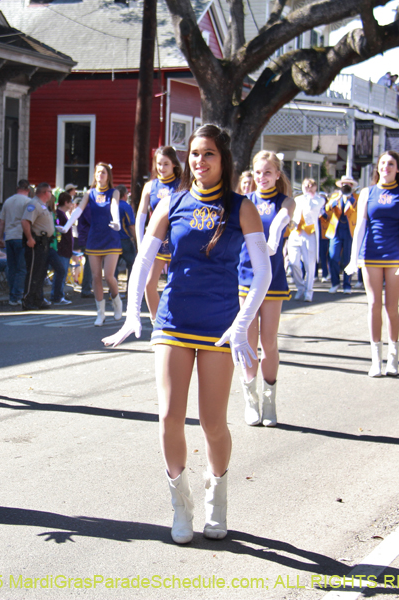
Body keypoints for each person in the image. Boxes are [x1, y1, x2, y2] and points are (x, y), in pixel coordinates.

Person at [103, 124, 270, 544]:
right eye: (194, 154)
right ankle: (180, 504)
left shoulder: (241, 207)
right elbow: (143, 260)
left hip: (220, 327)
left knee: (213, 423)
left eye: (208, 154)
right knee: (168, 419)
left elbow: (262, 272)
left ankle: (217, 496)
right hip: (173, 322)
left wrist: (242, 324)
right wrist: (132, 314)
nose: (199, 161)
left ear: (222, 159)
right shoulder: (171, 202)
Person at [237, 150, 294, 427]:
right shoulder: (244, 201)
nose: (262, 177)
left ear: (277, 175)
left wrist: (272, 240)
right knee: (248, 343)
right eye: (258, 172)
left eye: (268, 172)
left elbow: (283, 219)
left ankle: (269, 398)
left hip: (272, 277)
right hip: (246, 277)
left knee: (268, 342)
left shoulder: (286, 201)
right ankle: (251, 398)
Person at [344, 151, 399, 376]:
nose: (386, 167)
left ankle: (393, 356)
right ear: (378, 168)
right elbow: (361, 227)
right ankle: (376, 360)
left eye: (391, 164)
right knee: (373, 304)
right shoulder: (367, 192)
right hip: (370, 254)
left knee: (391, 307)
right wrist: (354, 259)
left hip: (394, 255)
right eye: (383, 163)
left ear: (397, 169)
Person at [57, 163, 123, 326]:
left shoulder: (113, 192)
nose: (100, 175)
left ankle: (116, 300)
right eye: (98, 172)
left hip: (111, 238)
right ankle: (100, 313)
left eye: (104, 172)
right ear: (95, 175)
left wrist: (116, 221)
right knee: (95, 277)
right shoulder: (90, 193)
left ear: (108, 176)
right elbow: (78, 210)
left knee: (109, 275)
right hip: (94, 239)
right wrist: (66, 227)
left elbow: (114, 206)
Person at [136, 147, 182, 323]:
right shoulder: (150, 186)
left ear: (174, 164)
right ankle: (157, 323)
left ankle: (177, 321)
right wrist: (141, 246)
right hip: (156, 240)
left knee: (176, 284)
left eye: (166, 164)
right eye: (159, 164)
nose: (162, 167)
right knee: (149, 284)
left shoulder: (182, 183)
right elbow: (140, 218)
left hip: (177, 241)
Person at [21, 182, 55, 310]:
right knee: (33, 273)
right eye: (50, 192)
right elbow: (25, 221)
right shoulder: (34, 204)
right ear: (45, 193)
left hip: (44, 242)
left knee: (41, 273)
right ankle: (27, 299)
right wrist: (30, 238)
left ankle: (38, 298)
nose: (51, 195)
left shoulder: (43, 205)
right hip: (36, 242)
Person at [288, 178, 324, 302]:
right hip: (296, 232)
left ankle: (309, 291)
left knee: (309, 264)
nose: (308, 187)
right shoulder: (297, 199)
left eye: (311, 185)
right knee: (293, 262)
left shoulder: (319, 200)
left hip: (309, 234)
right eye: (305, 185)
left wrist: (310, 195)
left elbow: (310, 208)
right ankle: (300, 287)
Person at [0, 180, 31, 305]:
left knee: (12, 267)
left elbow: (1, 221)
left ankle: (12, 294)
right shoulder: (27, 202)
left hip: (9, 237)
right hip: (21, 236)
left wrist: (0, 237)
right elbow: (28, 220)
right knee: (22, 268)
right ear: (28, 190)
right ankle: (17, 295)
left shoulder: (8, 201)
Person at [326, 176, 358, 293]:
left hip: (350, 231)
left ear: (352, 186)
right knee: (333, 257)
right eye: (344, 184)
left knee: (348, 258)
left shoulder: (356, 198)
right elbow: (327, 208)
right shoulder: (335, 197)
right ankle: (335, 283)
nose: (346, 186)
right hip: (336, 231)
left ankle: (347, 285)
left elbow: (356, 210)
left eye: (349, 184)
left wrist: (350, 198)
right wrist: (338, 198)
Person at [49, 192, 73, 305]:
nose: (72, 204)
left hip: (65, 249)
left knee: (61, 272)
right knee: (61, 272)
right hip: (62, 248)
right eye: (70, 202)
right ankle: (57, 296)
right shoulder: (59, 214)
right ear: (66, 202)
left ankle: (58, 295)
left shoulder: (62, 214)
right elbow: (59, 230)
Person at [117, 184, 136, 280]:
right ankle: (129, 291)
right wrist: (136, 239)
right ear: (124, 195)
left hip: (112, 240)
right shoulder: (126, 206)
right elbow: (131, 226)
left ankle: (113, 293)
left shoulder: (110, 205)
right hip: (125, 239)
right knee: (133, 264)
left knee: (113, 268)